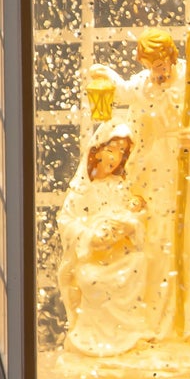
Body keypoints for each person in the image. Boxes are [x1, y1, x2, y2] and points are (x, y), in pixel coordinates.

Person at [90, 30, 190, 346]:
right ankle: (153, 320)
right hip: (154, 177)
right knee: (156, 246)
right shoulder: (145, 84)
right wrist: (103, 76)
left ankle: (189, 322)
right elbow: (123, 92)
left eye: (161, 65)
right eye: (151, 66)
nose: (158, 73)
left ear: (171, 57)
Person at [55, 123, 150, 358]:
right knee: (92, 278)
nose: (116, 157)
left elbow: (136, 218)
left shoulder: (121, 187)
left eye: (121, 152)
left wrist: (129, 225)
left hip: (120, 254)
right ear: (97, 150)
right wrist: (90, 236)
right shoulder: (81, 190)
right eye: (112, 148)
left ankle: (129, 336)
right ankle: (93, 338)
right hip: (93, 257)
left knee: (139, 263)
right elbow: (67, 222)